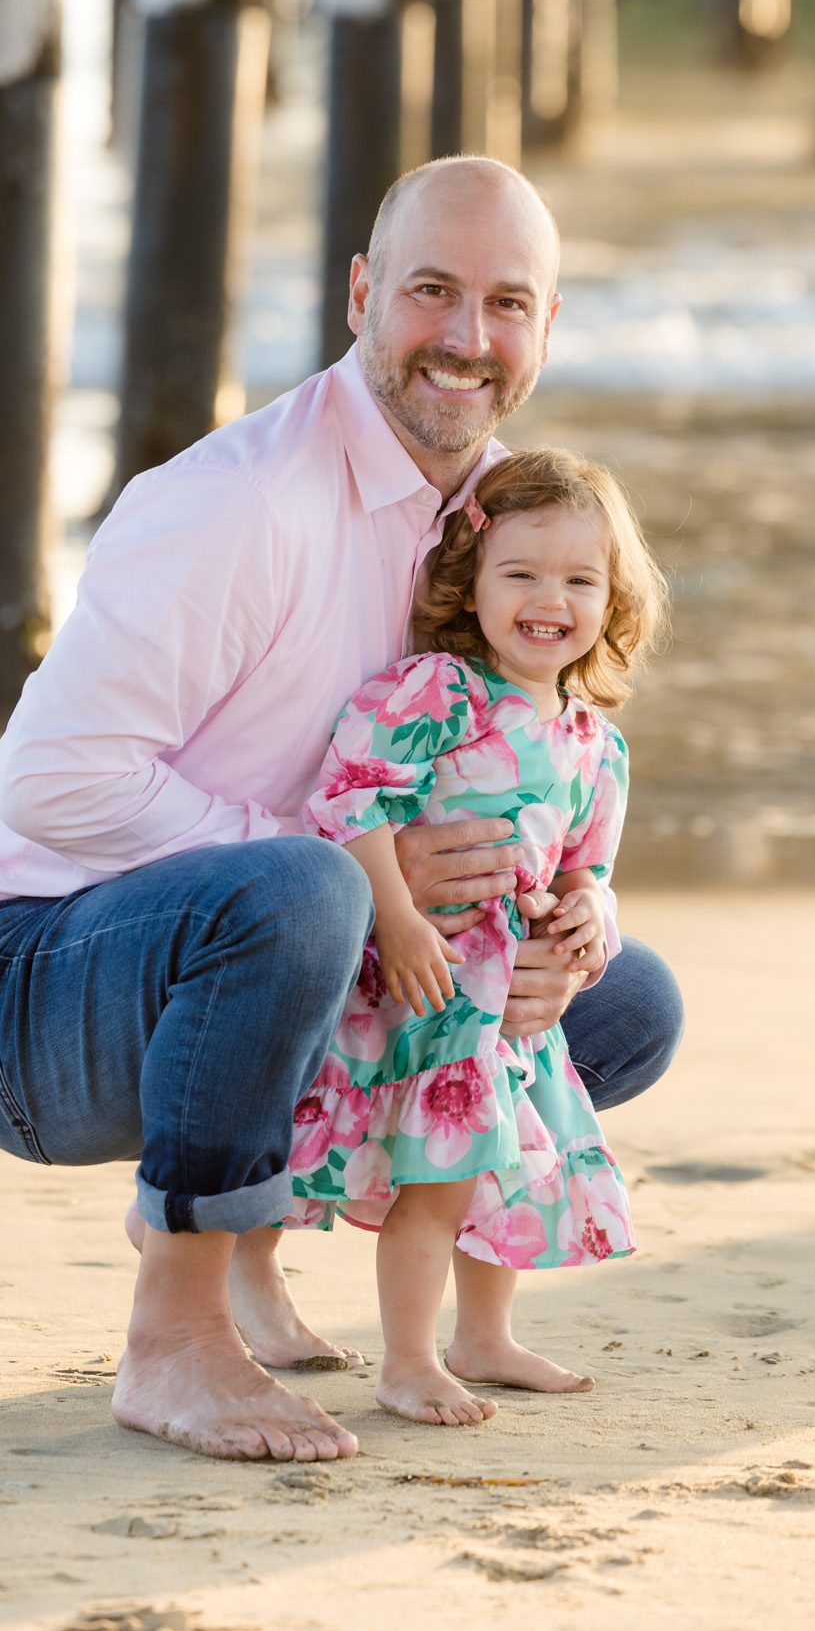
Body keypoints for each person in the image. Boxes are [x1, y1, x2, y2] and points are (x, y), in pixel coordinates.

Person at [0, 154, 684, 1464]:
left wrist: (570, 909)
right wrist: (363, 880)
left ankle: (267, 1227)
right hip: (12, 982)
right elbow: (56, 783)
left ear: (547, 328)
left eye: (506, 304)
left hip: (273, 947)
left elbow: (536, 764)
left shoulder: (499, 522)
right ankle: (176, 1331)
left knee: (618, 1000)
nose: (465, 338)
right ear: (362, 294)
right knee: (309, 892)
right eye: (431, 291)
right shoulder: (240, 503)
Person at [288, 446, 667, 1426]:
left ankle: (484, 1336)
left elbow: (584, 863)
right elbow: (350, 799)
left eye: (580, 578)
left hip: (517, 1005)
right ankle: (407, 1358)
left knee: (508, 1167)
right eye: (522, 572)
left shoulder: (593, 738)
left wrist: (599, 910)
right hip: (433, 980)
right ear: (472, 580)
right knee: (438, 1175)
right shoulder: (439, 691)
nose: (552, 598)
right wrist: (397, 915)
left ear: (611, 596)